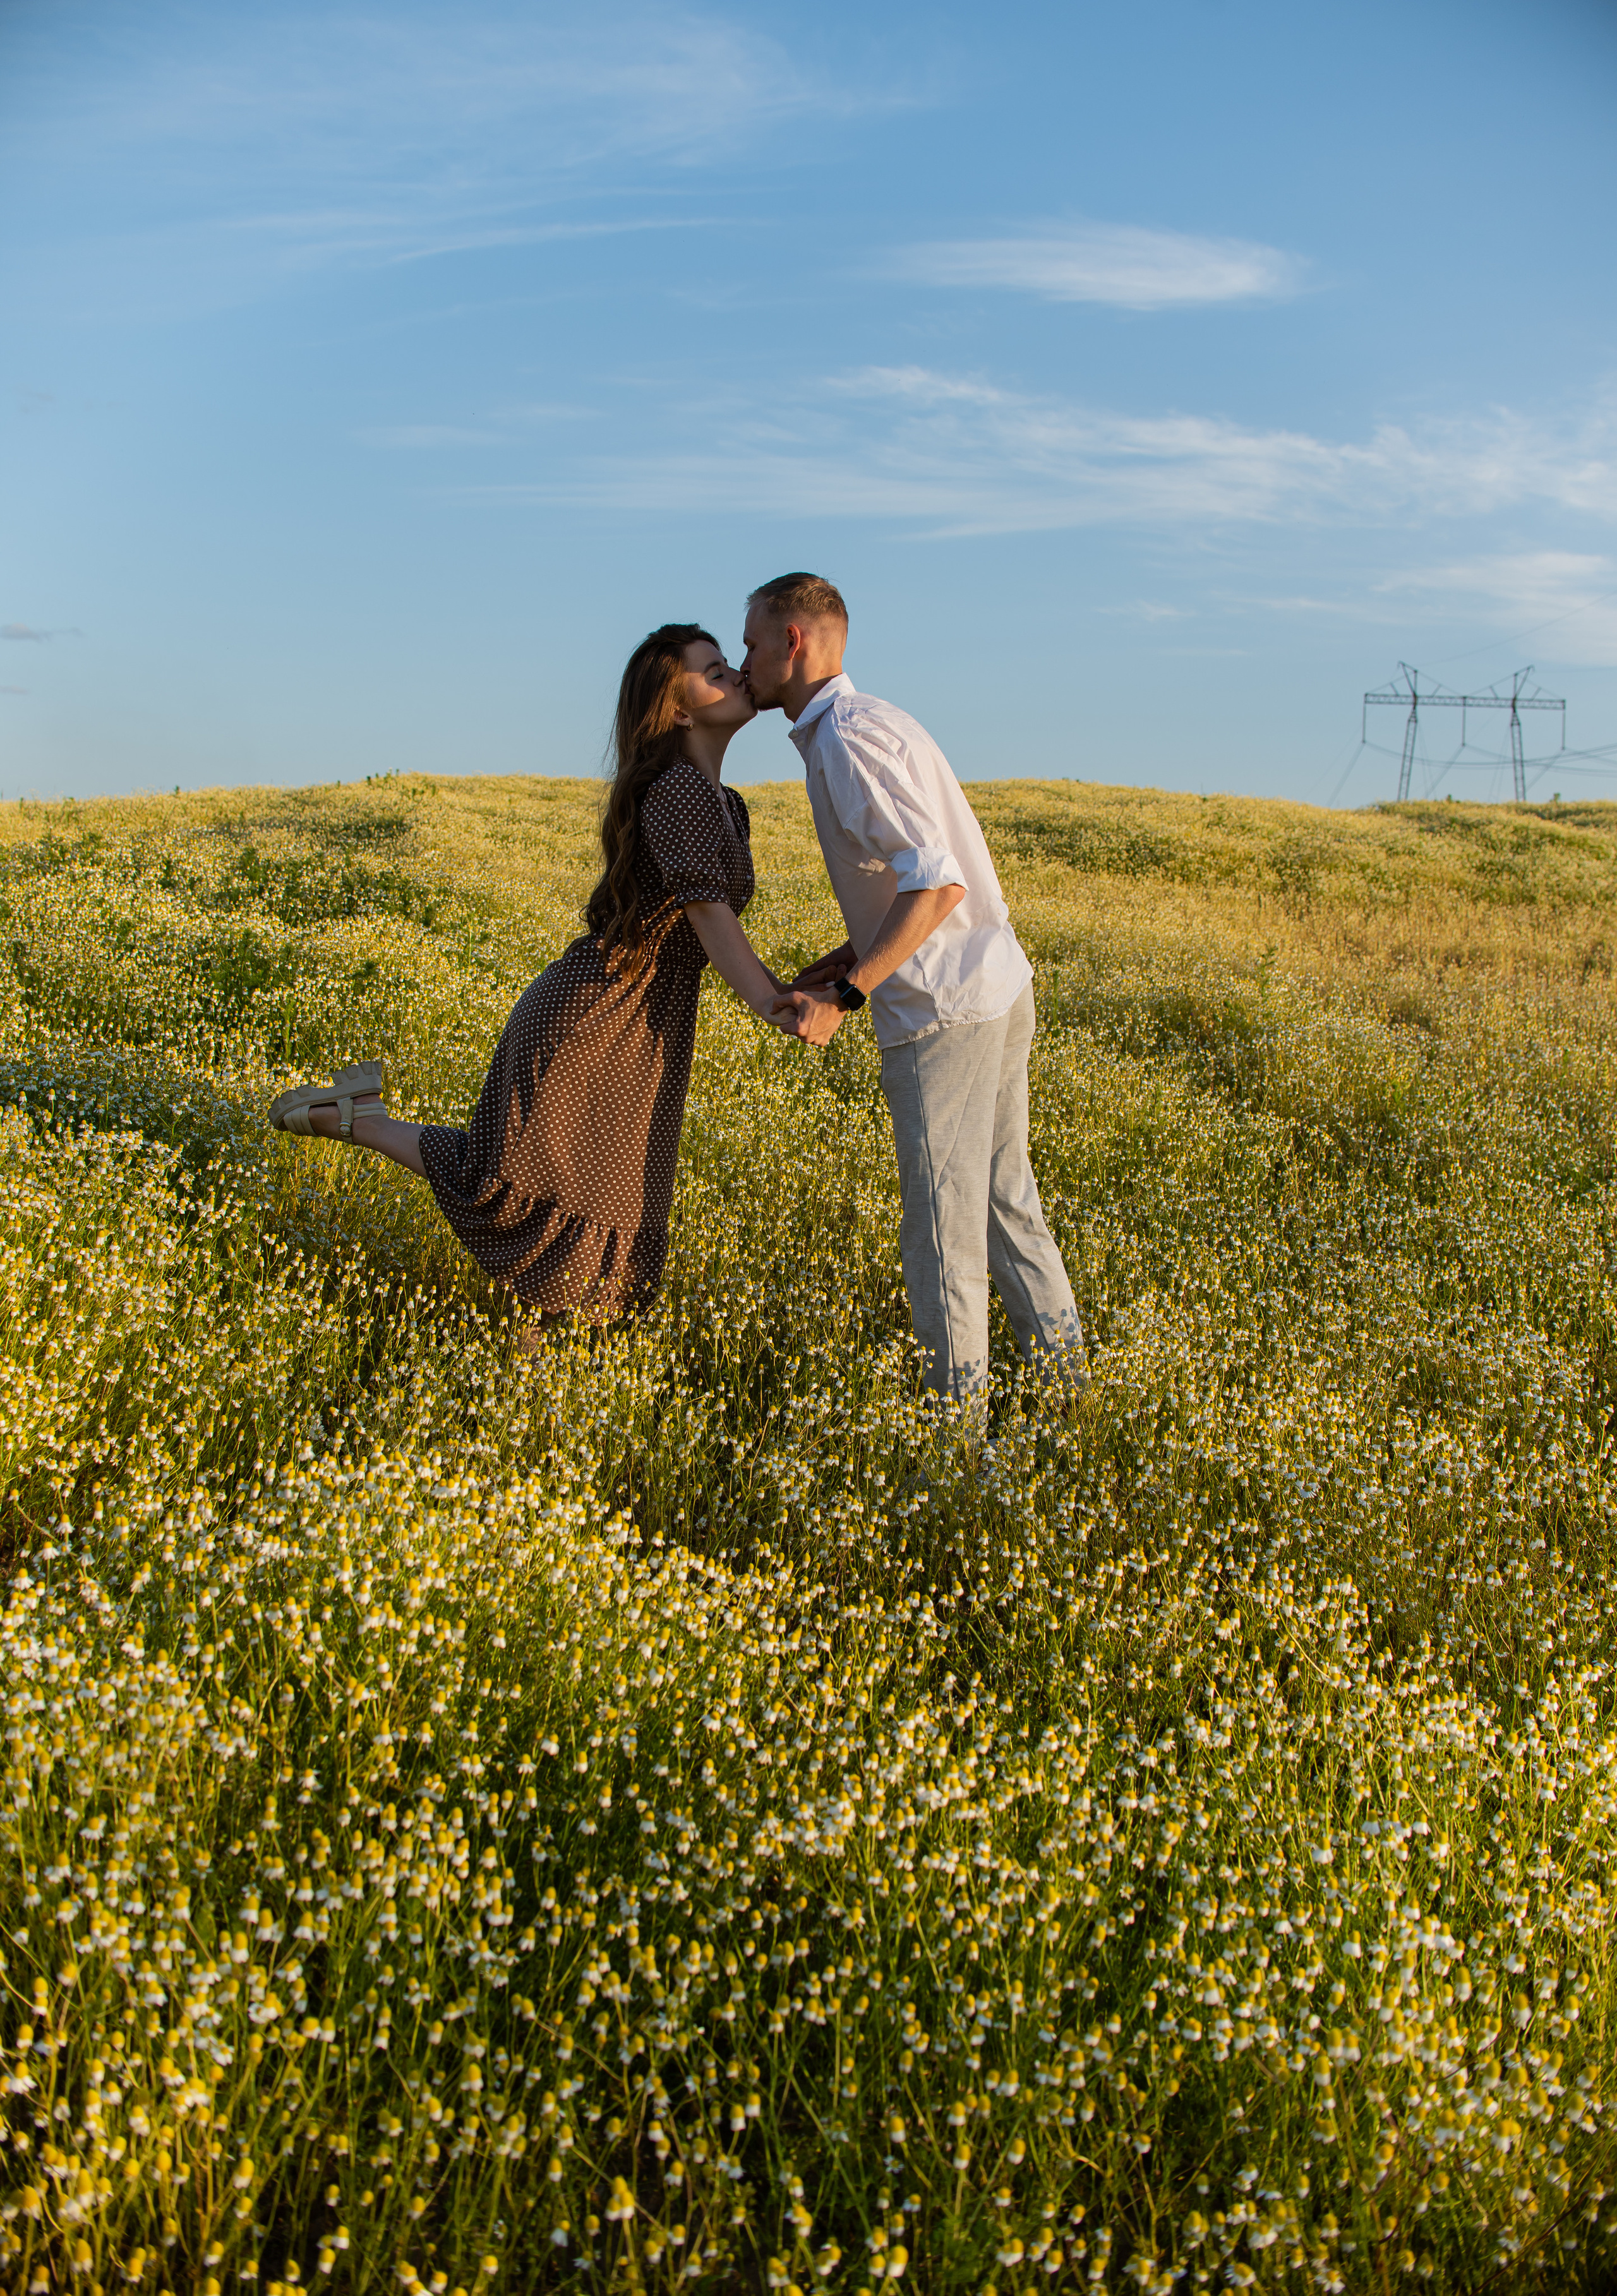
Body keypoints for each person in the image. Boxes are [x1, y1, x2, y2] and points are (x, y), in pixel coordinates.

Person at [268, 625, 795, 1325]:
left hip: (645, 1030)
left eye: (729, 666)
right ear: (676, 709)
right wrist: (771, 1001)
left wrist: (800, 979)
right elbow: (703, 910)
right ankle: (356, 1124)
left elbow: (705, 922)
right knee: (521, 1192)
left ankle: (545, 1389)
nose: (733, 676)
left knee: (593, 1203)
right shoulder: (676, 789)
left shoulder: (725, 804)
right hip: (597, 1017)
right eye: (712, 671)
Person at [742, 572, 1086, 1409]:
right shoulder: (874, 722)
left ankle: (960, 1454)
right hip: (992, 987)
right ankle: (1073, 1396)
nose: (745, 661)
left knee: (943, 1238)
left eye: (751, 643)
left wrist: (849, 993)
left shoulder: (847, 741)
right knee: (1007, 1206)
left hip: (944, 1016)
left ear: (794, 642)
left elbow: (935, 885)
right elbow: (919, 878)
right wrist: (848, 952)